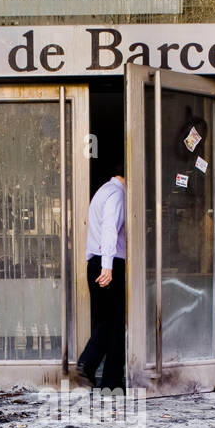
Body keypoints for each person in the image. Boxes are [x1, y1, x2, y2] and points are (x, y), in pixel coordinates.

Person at [78, 166, 126, 390]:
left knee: (104, 321)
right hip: (108, 263)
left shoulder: (103, 190)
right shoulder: (117, 194)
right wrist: (108, 266)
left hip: (96, 262)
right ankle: (94, 369)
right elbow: (109, 229)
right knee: (114, 325)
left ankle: (102, 376)